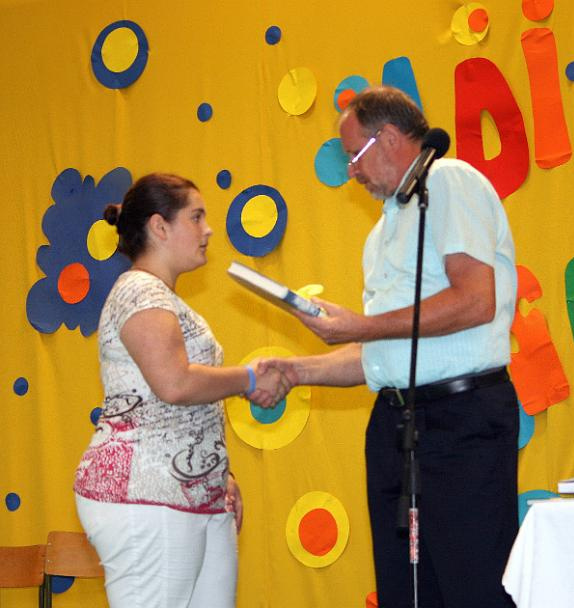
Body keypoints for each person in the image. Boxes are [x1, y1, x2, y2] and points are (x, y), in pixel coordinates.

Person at [270, 87, 519, 608]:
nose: (352, 173)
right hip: (396, 424)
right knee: (404, 588)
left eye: (354, 156)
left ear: (388, 138)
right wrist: (297, 370)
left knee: (472, 585)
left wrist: (361, 325)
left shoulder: (448, 180)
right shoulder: (382, 230)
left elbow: (476, 301)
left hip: (460, 418)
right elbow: (384, 357)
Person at [73, 173, 291, 608]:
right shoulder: (139, 291)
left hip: (193, 498)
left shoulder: (164, 298)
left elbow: (185, 403)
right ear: (160, 226)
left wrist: (220, 474)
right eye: (196, 217)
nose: (208, 230)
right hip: (146, 494)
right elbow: (174, 383)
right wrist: (249, 378)